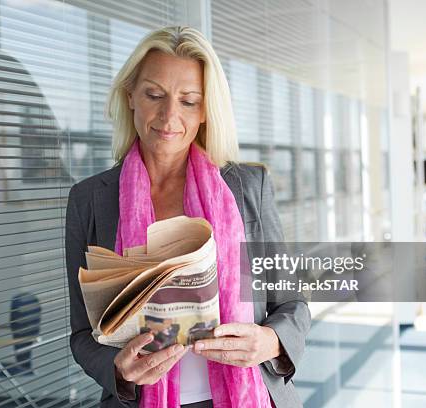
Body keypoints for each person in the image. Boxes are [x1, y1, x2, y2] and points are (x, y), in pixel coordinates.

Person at [65, 26, 311, 408]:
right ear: (130, 96)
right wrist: (118, 367)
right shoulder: (89, 200)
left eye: (188, 100)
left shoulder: (247, 188)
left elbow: (291, 304)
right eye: (154, 95)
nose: (169, 116)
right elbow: (82, 333)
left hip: (248, 395)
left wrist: (269, 341)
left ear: (205, 110)